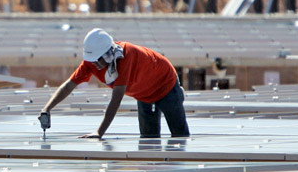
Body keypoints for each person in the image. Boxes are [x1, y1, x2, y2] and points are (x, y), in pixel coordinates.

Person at [39, 28, 190, 139]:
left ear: (109, 53)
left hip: (166, 86)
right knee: (149, 138)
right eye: (93, 60)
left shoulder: (125, 57)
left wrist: (99, 132)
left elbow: (116, 99)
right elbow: (69, 86)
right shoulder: (91, 62)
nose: (96, 64)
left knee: (180, 135)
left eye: (99, 59)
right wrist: (47, 109)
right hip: (144, 94)